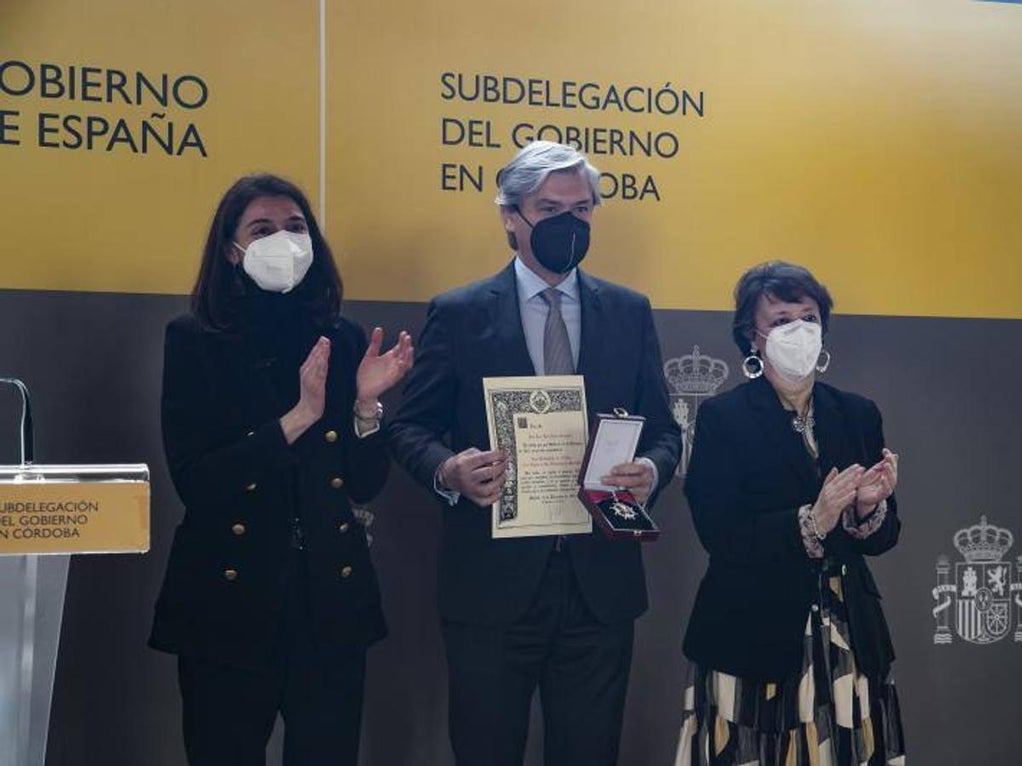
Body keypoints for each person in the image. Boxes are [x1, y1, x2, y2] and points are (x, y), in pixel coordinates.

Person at [388, 141, 681, 766]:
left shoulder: (629, 312)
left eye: (582, 209)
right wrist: (449, 470)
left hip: (598, 587)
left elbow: (665, 430)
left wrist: (649, 471)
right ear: (510, 217)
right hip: (491, 590)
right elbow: (410, 428)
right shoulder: (460, 313)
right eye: (549, 208)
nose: (568, 223)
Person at [148, 173, 413, 766]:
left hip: (328, 601)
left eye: (296, 228)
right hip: (230, 600)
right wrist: (295, 420)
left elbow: (365, 482)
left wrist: (367, 407)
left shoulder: (341, 338)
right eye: (262, 229)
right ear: (230, 248)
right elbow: (197, 482)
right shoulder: (194, 340)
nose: (283, 241)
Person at [675, 261, 906, 766]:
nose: (797, 331)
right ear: (751, 337)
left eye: (808, 317)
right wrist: (812, 520)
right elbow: (721, 534)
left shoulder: (857, 412)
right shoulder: (723, 418)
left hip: (846, 636)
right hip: (751, 635)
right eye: (781, 320)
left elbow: (883, 537)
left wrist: (869, 509)